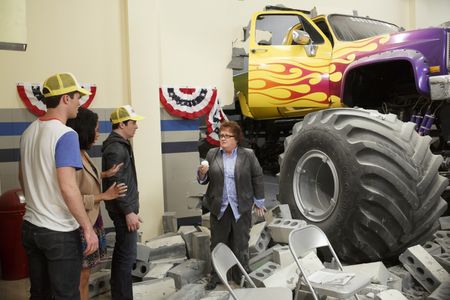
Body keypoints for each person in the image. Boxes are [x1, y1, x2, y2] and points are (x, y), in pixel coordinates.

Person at [19, 72, 99, 299]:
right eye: (77, 97)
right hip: (58, 232)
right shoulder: (65, 134)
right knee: (65, 294)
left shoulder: (28, 133)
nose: (79, 103)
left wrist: (39, 201)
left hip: (31, 227)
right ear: (65, 98)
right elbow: (68, 187)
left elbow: (22, 178)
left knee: (39, 293)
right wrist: (87, 227)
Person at [66, 107, 128, 300]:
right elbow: (72, 196)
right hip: (82, 223)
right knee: (81, 279)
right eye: (96, 128)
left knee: (85, 275)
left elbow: (85, 177)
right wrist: (104, 195)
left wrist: (104, 175)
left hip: (93, 220)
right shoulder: (72, 155)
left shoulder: (82, 152)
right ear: (85, 129)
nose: (99, 133)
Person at [197, 120, 267, 290]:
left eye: (227, 136)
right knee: (218, 244)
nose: (223, 139)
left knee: (241, 243)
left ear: (236, 139)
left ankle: (241, 274)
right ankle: (216, 276)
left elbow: (257, 177)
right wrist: (201, 173)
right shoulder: (212, 154)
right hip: (219, 207)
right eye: (221, 135)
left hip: (240, 206)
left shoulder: (248, 155)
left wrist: (259, 200)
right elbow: (203, 181)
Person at [102, 105, 144, 300]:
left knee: (124, 257)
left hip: (125, 209)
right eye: (133, 122)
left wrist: (132, 209)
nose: (136, 126)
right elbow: (115, 184)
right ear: (121, 124)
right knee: (125, 259)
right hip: (122, 211)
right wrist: (128, 211)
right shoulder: (116, 149)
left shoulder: (121, 145)